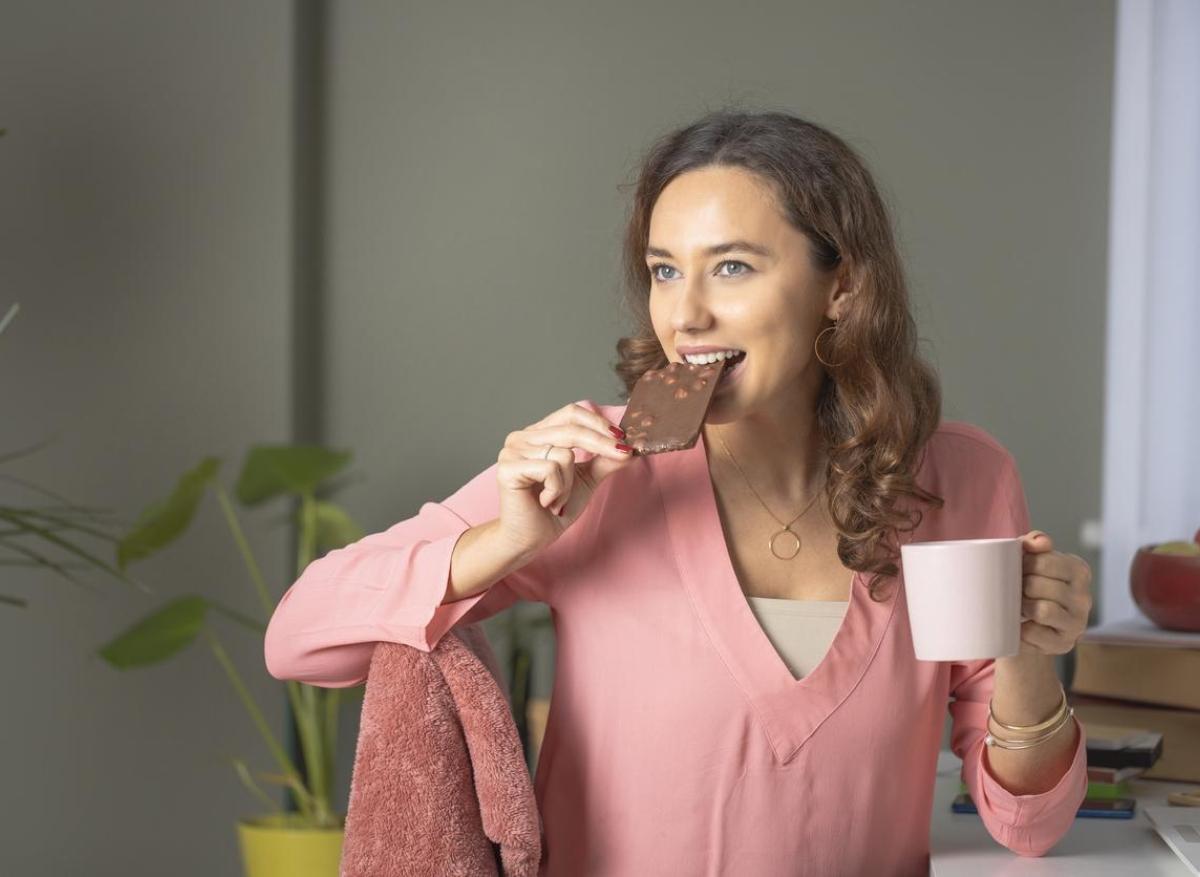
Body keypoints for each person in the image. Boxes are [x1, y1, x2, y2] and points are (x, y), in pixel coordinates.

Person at [264, 109, 1090, 875]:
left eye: (732, 267)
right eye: (665, 270)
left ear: (839, 288)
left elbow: (1028, 826)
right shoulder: (595, 468)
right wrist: (513, 539)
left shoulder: (959, 479)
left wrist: (1025, 648)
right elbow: (298, 638)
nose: (685, 313)